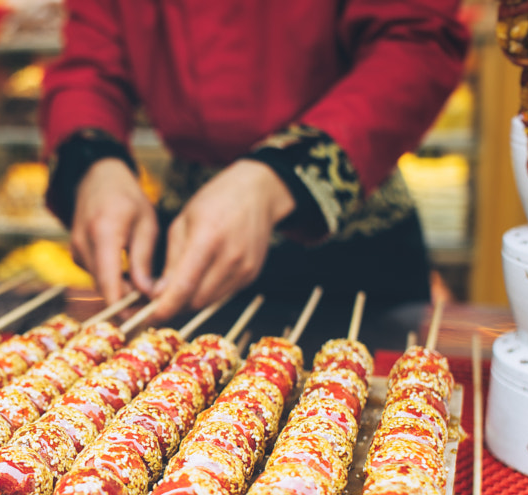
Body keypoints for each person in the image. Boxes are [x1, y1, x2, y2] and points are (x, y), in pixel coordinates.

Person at [40, 1, 470, 324]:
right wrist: (94, 163)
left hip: (353, 246)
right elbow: (90, 58)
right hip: (183, 252)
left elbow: (416, 40)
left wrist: (278, 178)